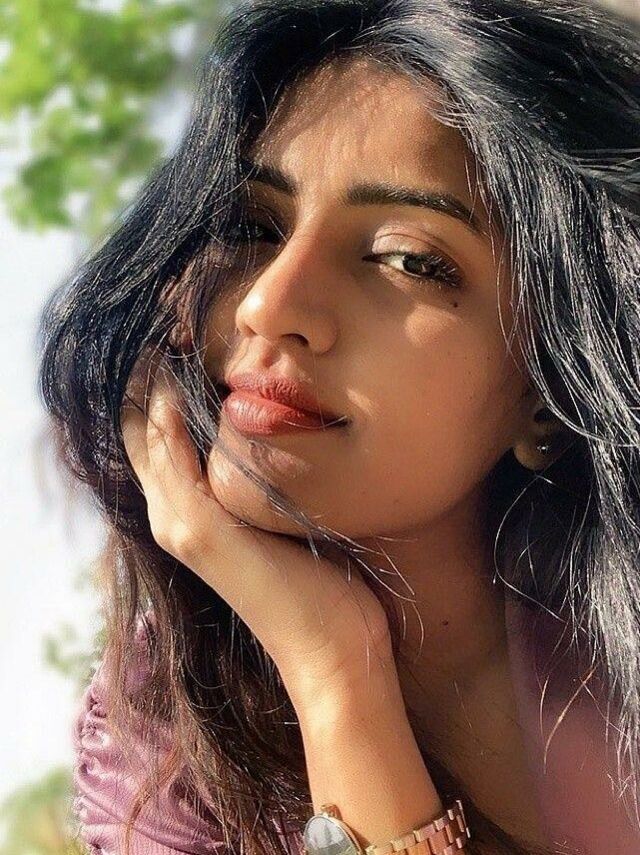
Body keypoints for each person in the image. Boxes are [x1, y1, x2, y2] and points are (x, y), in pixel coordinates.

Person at [37, 0, 640, 853]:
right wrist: (333, 673)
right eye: (253, 227)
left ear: (546, 388)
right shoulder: (159, 752)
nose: (268, 304)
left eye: (407, 258)